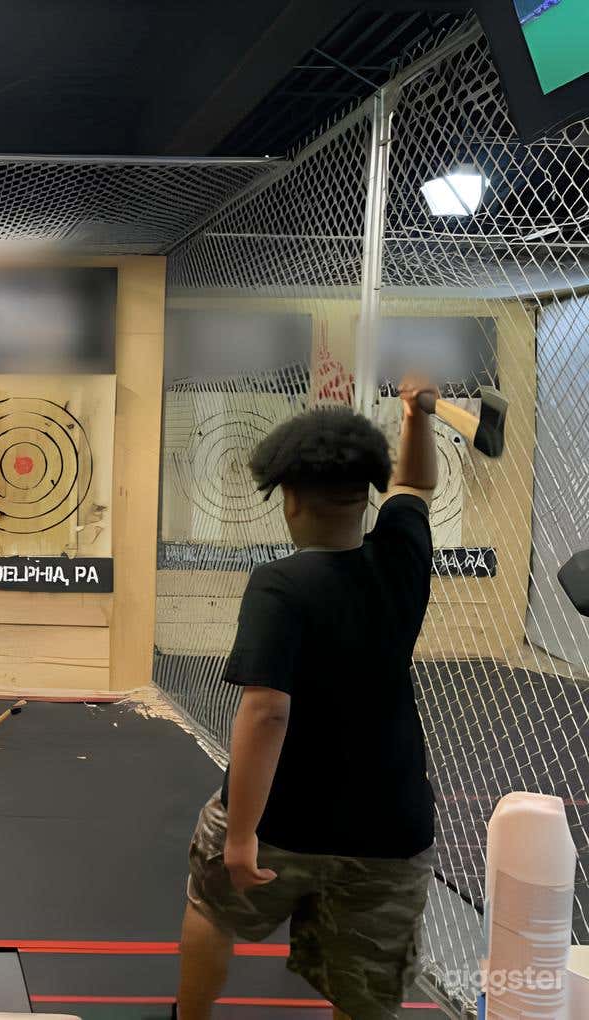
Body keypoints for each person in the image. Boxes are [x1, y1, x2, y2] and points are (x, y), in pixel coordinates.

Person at [175, 379, 440, 1020]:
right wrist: (415, 416)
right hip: (388, 823)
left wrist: (241, 837)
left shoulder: (280, 584)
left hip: (282, 818)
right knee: (364, 983)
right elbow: (416, 488)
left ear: (289, 499)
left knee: (212, 906)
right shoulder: (401, 554)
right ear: (366, 493)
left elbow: (267, 710)